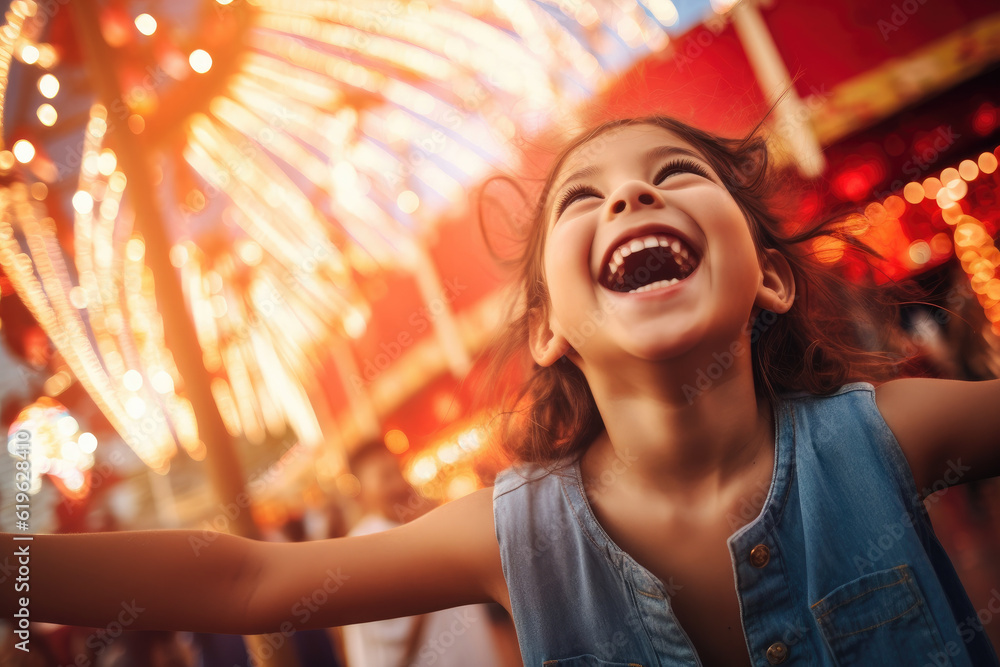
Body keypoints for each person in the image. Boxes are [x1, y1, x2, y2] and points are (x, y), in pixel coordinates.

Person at [6, 114, 1000, 667]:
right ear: (547, 329)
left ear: (769, 278)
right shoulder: (516, 532)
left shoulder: (884, 436)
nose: (630, 194)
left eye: (673, 174)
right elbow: (244, 580)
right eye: (584, 194)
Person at [339, 440, 503, 667]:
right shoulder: (362, 546)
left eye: (399, 472)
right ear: (361, 493)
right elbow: (384, 637)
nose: (399, 484)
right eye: (386, 477)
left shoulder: (417, 523)